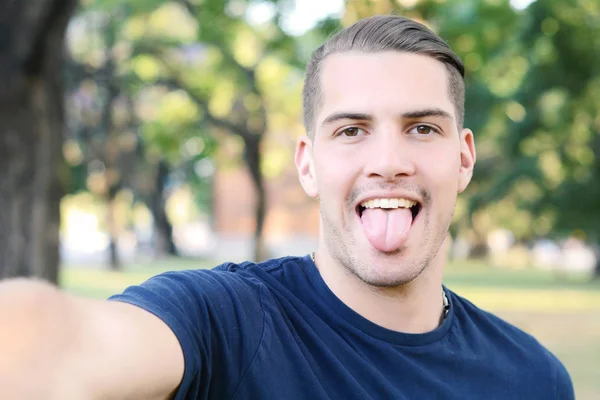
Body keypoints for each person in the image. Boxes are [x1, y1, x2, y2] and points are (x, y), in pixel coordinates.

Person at [0, 15, 574, 400]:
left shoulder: (534, 378)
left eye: (422, 127)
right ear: (307, 163)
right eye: (351, 131)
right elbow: (56, 341)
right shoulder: (226, 323)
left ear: (464, 158)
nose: (389, 160)